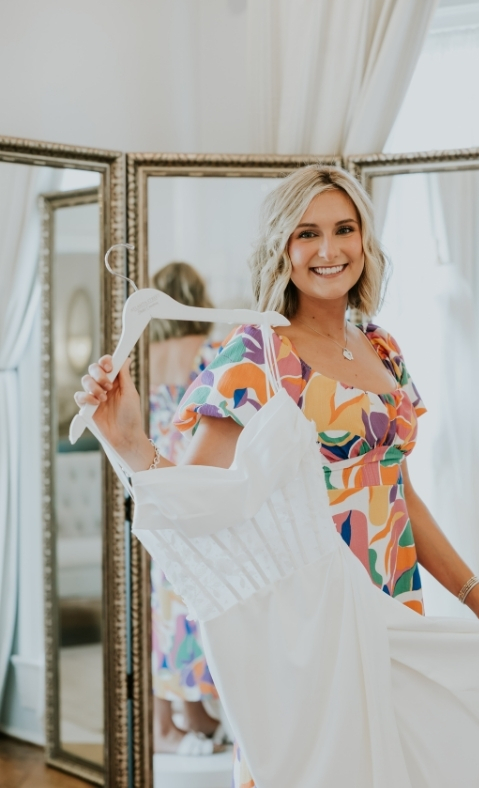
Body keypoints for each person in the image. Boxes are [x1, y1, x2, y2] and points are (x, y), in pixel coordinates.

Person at [75, 166, 479, 787]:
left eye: (344, 229)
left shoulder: (384, 350)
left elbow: (399, 493)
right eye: (308, 234)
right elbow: (197, 500)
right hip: (308, 623)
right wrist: (132, 443)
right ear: (282, 246)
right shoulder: (258, 354)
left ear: (365, 240)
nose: (329, 250)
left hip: (392, 604)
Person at [148, 262, 224, 755]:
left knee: (163, 609)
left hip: (153, 493)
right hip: (199, 493)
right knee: (200, 605)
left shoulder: (141, 358)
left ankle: (171, 722)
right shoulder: (211, 353)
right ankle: (195, 711)